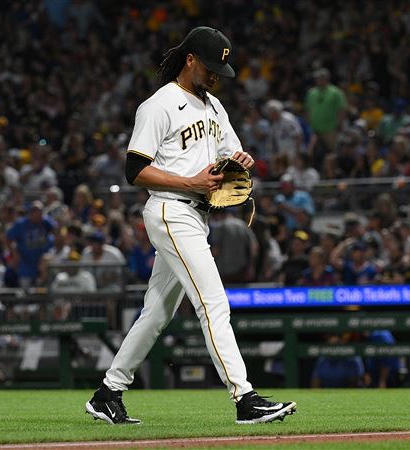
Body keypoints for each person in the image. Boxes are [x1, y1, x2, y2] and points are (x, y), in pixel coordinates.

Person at [85, 27, 296, 425]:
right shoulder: (159, 104)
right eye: (213, 66)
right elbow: (135, 170)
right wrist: (192, 183)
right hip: (170, 209)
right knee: (212, 302)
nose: (218, 75)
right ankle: (244, 398)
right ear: (190, 60)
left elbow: (228, 154)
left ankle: (108, 392)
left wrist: (240, 161)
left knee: (157, 312)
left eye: (223, 68)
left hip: (196, 216)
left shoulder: (215, 108)